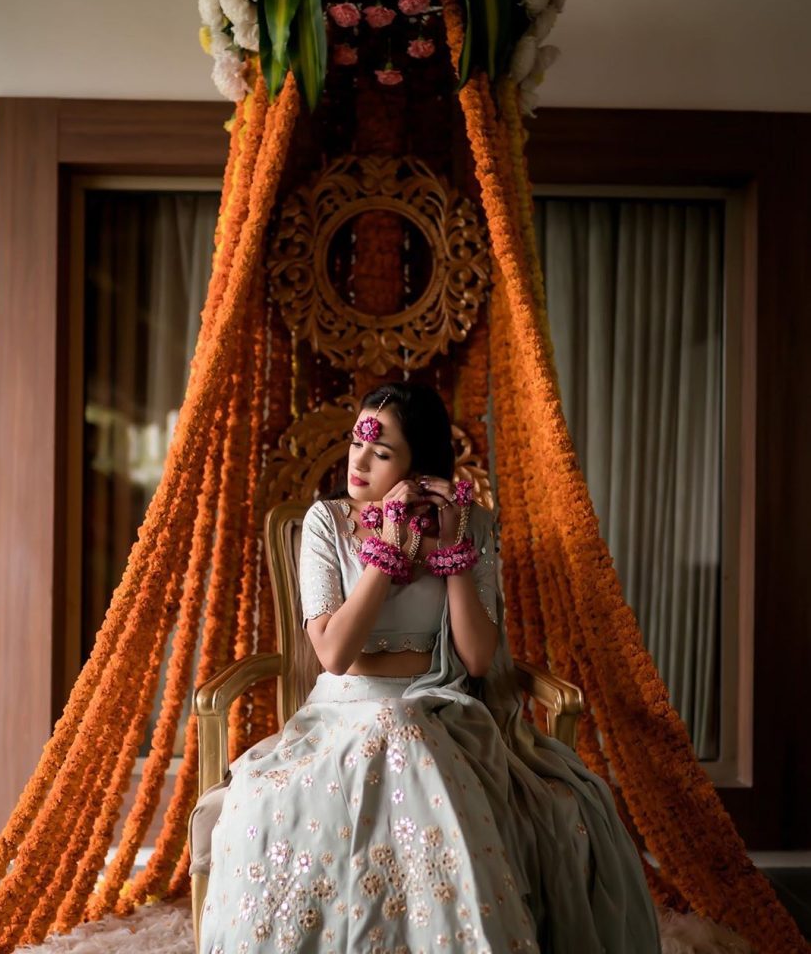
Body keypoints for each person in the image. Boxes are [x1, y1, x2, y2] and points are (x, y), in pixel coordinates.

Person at [197, 381, 662, 954]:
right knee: (394, 729)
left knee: (408, 727)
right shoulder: (326, 523)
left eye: (383, 452)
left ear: (420, 467)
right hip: (343, 713)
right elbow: (334, 654)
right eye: (357, 442)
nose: (358, 461)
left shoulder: (472, 526)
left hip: (441, 708)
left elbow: (477, 658)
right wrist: (385, 554)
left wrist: (454, 553)